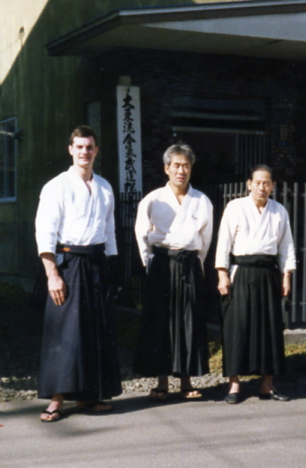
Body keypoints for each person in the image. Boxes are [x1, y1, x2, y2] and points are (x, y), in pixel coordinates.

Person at [35, 125, 122, 422]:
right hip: (68, 264)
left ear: (96, 151)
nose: (85, 152)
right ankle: (56, 401)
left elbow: (109, 230)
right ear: (71, 149)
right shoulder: (56, 186)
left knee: (95, 331)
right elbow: (45, 233)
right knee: (66, 333)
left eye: (90, 147)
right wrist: (52, 274)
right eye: (79, 146)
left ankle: (89, 396)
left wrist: (111, 265)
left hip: (97, 262)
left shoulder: (105, 187)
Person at [134, 143, 213, 400]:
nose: (181, 170)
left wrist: (195, 264)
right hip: (162, 264)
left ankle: (187, 381)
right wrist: (152, 264)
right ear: (166, 168)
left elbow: (205, 239)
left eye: (186, 165)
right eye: (176, 165)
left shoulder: (202, 201)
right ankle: (161, 381)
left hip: (188, 264)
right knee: (161, 322)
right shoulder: (153, 199)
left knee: (188, 322)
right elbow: (141, 235)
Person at [215, 165, 296, 404]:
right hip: (241, 272)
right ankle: (234, 385)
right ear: (249, 184)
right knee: (237, 327)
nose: (262, 187)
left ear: (272, 186)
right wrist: (222, 274)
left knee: (270, 329)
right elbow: (224, 242)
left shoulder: (279, 211)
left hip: (269, 273)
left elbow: (286, 246)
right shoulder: (235, 207)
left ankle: (267, 384)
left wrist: (286, 276)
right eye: (258, 182)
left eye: (267, 183)